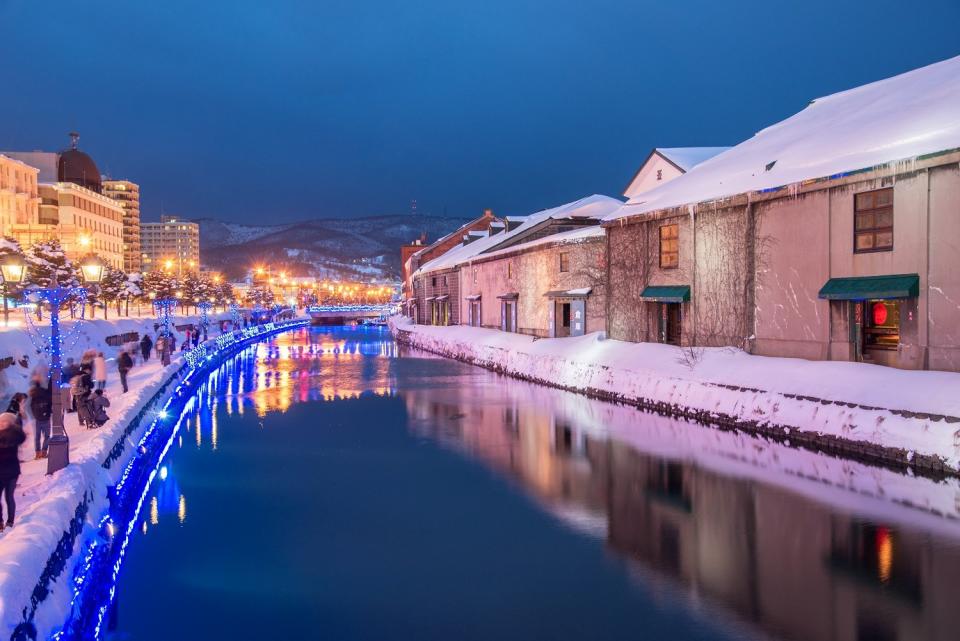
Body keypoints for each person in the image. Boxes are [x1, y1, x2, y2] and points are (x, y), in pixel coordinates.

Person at [0, 412, 26, 530]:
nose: (1, 423)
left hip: (11, 472)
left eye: (4, 421)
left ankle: (10, 522)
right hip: (2, 472)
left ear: (10, 423)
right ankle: (0, 521)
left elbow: (20, 436)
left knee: (9, 497)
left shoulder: (13, 435)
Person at [28, 374, 52, 459]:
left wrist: (35, 415)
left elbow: (31, 406)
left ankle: (37, 453)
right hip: (46, 418)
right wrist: (48, 412)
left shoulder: (33, 395)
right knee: (47, 436)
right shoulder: (45, 392)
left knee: (37, 437)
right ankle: (44, 452)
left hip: (37, 418)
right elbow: (50, 402)